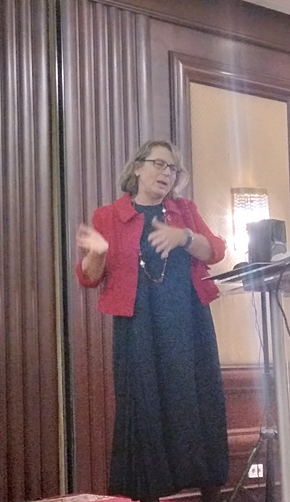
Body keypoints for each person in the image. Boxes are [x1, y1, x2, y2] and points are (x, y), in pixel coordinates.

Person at [75, 140, 229, 502]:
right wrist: (97, 253)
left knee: (199, 400)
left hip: (189, 323)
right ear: (137, 168)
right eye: (159, 164)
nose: (166, 173)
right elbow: (88, 277)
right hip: (138, 327)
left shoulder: (184, 210)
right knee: (143, 407)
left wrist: (185, 237)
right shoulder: (108, 216)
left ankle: (210, 492)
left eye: (172, 169)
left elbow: (216, 251)